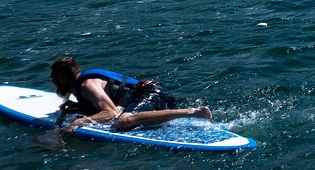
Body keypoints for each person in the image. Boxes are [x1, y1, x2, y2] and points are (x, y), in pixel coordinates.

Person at [49, 56, 211, 134]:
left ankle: (193, 112)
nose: (53, 81)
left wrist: (79, 122)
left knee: (123, 121)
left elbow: (111, 113)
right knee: (123, 118)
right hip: (149, 97)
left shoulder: (87, 86)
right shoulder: (83, 87)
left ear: (62, 78)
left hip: (153, 95)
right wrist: (79, 106)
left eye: (54, 78)